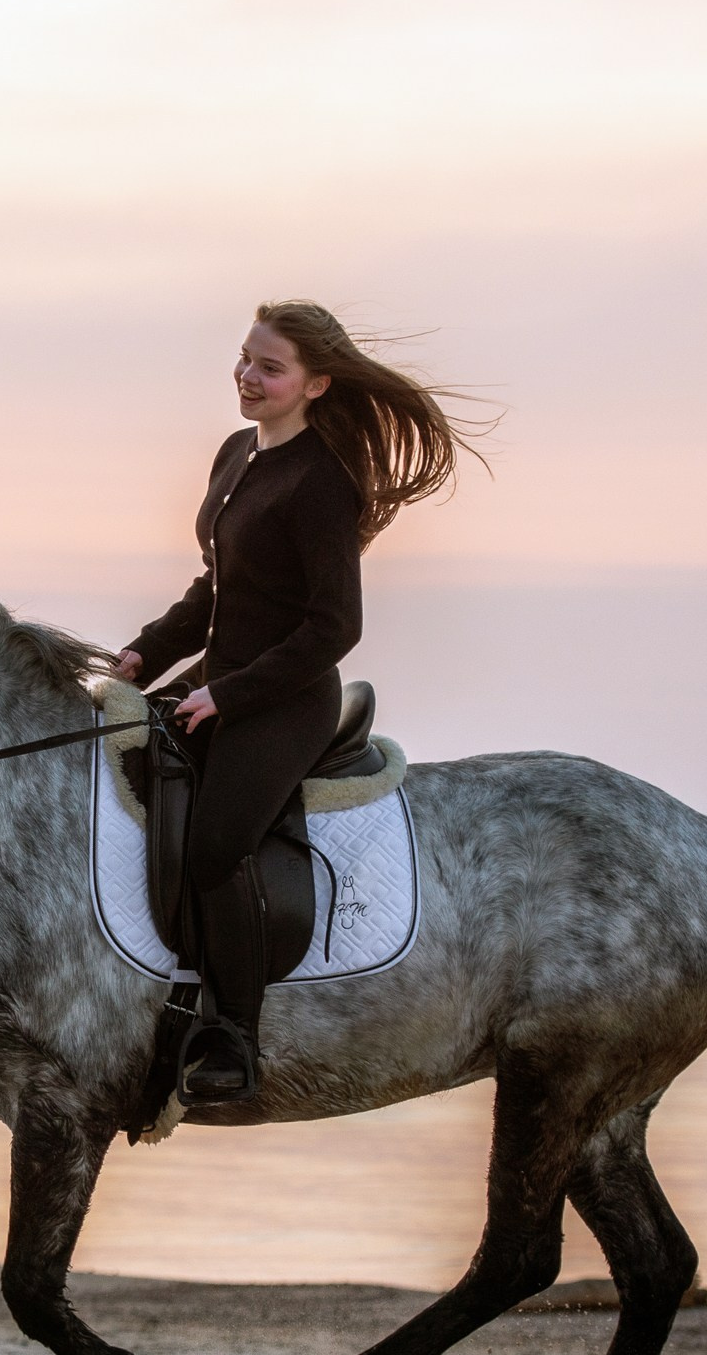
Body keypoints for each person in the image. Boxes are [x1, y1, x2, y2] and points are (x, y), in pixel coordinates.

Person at [113, 300, 478, 1104]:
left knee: (215, 846)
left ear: (315, 385)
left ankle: (232, 1034)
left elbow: (333, 627)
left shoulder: (323, 482)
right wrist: (146, 654)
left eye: (268, 367)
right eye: (245, 359)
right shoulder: (237, 453)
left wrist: (228, 695)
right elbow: (217, 588)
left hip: (285, 700)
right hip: (220, 680)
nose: (248, 376)